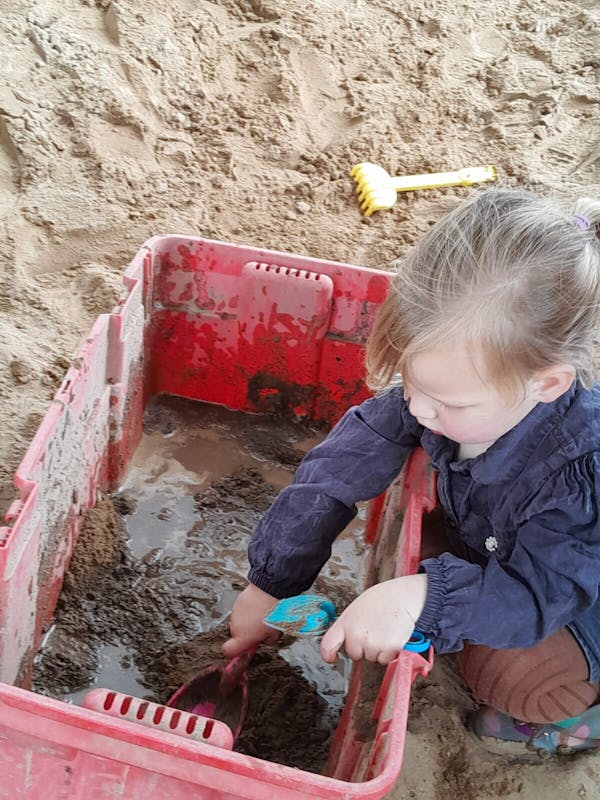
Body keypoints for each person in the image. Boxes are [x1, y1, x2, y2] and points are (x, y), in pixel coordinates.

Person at [223, 187, 600, 756]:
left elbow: (535, 599)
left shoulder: (578, 474)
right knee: (428, 560)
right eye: (412, 382)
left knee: (510, 678)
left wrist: (421, 595)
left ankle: (579, 718)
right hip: (501, 539)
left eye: (448, 402)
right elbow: (332, 474)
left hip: (574, 590)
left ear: (546, 383)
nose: (419, 409)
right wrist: (270, 584)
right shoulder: (452, 386)